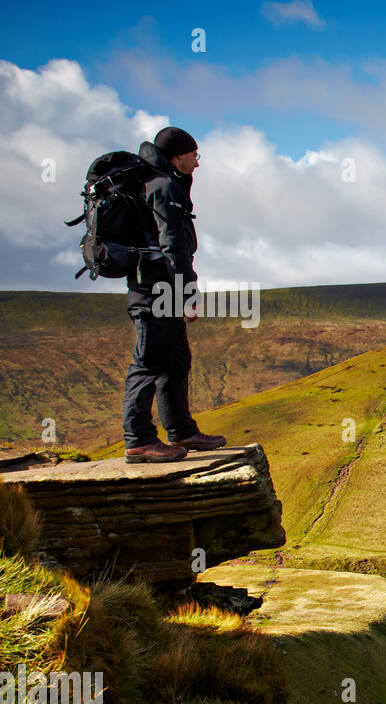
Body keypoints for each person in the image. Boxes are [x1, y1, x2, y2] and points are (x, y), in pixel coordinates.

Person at [122, 126, 227, 463]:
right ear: (178, 155)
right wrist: (188, 293)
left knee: (175, 361)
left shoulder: (159, 182)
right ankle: (138, 439)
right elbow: (173, 246)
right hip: (154, 290)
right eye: (195, 156)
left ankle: (181, 430)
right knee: (149, 364)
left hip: (158, 286)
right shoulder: (164, 186)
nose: (197, 163)